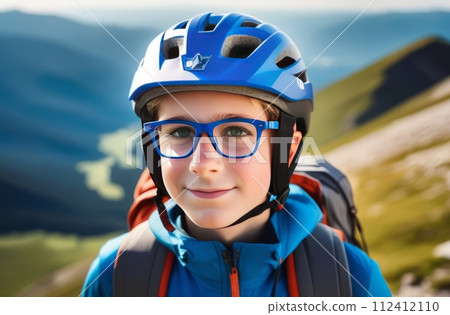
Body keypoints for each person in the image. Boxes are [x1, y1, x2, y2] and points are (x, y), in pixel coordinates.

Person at [81, 12, 391, 297]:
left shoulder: (349, 277)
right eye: (179, 131)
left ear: (288, 146)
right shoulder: (117, 272)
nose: (202, 165)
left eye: (235, 132)